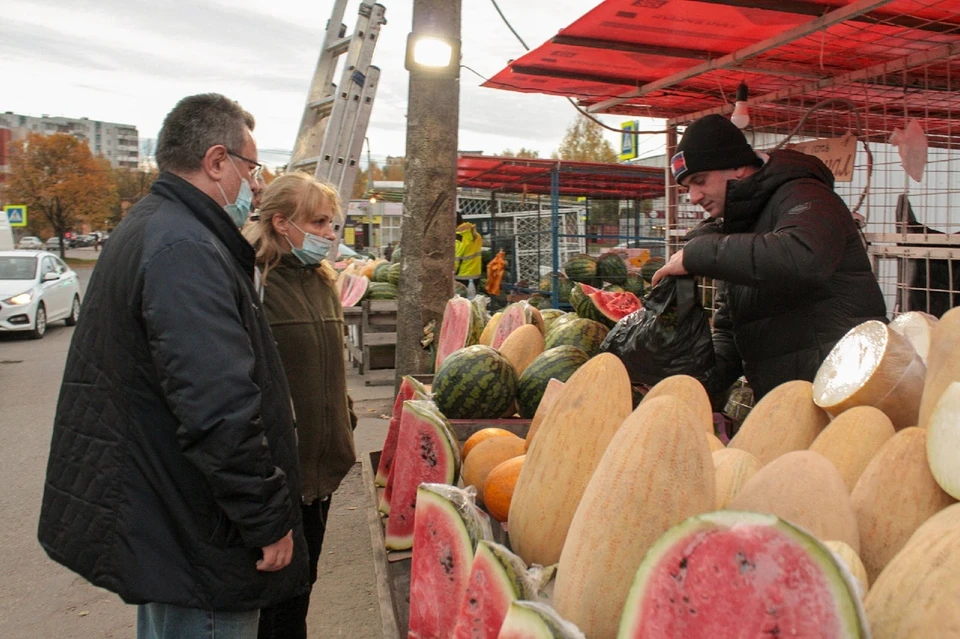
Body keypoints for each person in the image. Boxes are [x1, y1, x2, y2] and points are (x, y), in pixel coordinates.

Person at [37, 93, 309, 639]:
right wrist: (266, 519)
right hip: (200, 533)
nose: (254, 185)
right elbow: (219, 409)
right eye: (249, 168)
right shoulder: (186, 248)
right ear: (215, 161)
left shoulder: (154, 226)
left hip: (170, 521)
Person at [652, 114, 887, 404]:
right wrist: (691, 386)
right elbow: (731, 332)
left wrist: (699, 253)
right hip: (792, 403)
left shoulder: (805, 194)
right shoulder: (739, 227)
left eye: (700, 181)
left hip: (849, 391)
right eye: (687, 187)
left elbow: (803, 257)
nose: (694, 197)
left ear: (738, 165)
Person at [242, 172, 358, 639]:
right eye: (320, 222)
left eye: (332, 223)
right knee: (272, 608)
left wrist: (344, 417)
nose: (331, 235)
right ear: (282, 222)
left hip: (321, 473)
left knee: (300, 595)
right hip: (278, 478)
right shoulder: (255, 283)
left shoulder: (322, 279)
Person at [454, 213, 483, 297]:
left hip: (461, 278)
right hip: (475, 275)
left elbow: (455, 260)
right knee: (472, 304)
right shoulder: (477, 235)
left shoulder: (459, 238)